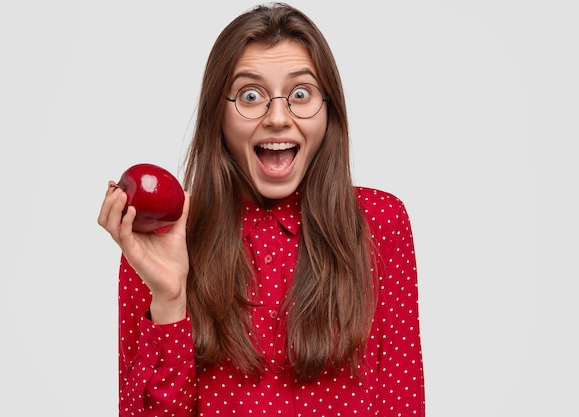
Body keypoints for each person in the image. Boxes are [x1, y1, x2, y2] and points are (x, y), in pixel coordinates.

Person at [97, 3, 425, 416]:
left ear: (329, 110)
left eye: (300, 94)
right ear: (218, 113)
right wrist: (169, 298)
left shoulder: (380, 222)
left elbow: (402, 400)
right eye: (250, 95)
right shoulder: (160, 240)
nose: (277, 118)